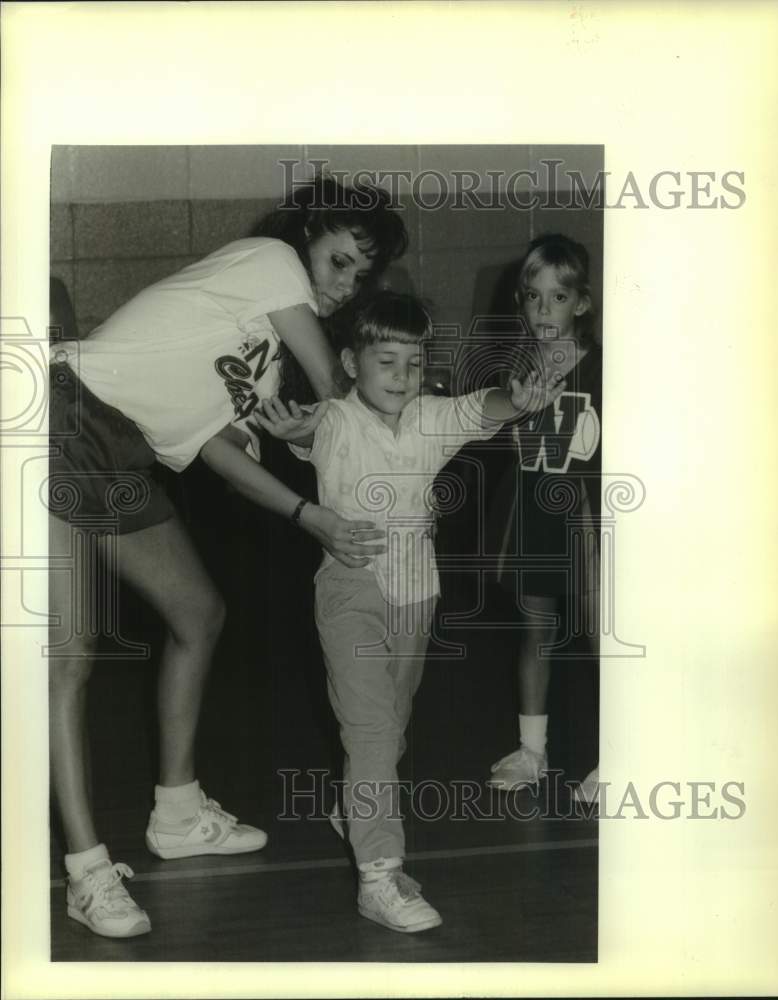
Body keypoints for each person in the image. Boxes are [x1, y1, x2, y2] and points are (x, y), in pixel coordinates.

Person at [48, 175, 407, 938]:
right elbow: (337, 382)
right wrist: (380, 415)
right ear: (307, 237)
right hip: (54, 416)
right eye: (339, 262)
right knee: (70, 656)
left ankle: (177, 814)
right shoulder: (269, 260)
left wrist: (310, 510)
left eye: (359, 276)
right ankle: (85, 872)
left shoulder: (264, 364)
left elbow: (221, 451)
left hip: (119, 455)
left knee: (198, 612)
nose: (345, 286)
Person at [256, 291, 564, 933]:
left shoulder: (428, 416)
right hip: (350, 589)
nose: (401, 376)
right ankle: (379, 875)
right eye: (386, 361)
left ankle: (357, 805)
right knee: (369, 732)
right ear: (350, 361)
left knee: (390, 727)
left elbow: (481, 409)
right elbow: (314, 428)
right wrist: (294, 430)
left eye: (414, 363)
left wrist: (521, 399)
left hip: (417, 590)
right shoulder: (339, 418)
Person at [485, 233, 601, 801]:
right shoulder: (514, 369)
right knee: (534, 632)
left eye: (557, 298)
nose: (543, 310)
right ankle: (532, 750)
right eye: (533, 297)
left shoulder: (606, 368)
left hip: (587, 517)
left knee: (603, 635)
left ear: (581, 303)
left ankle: (624, 754)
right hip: (532, 510)